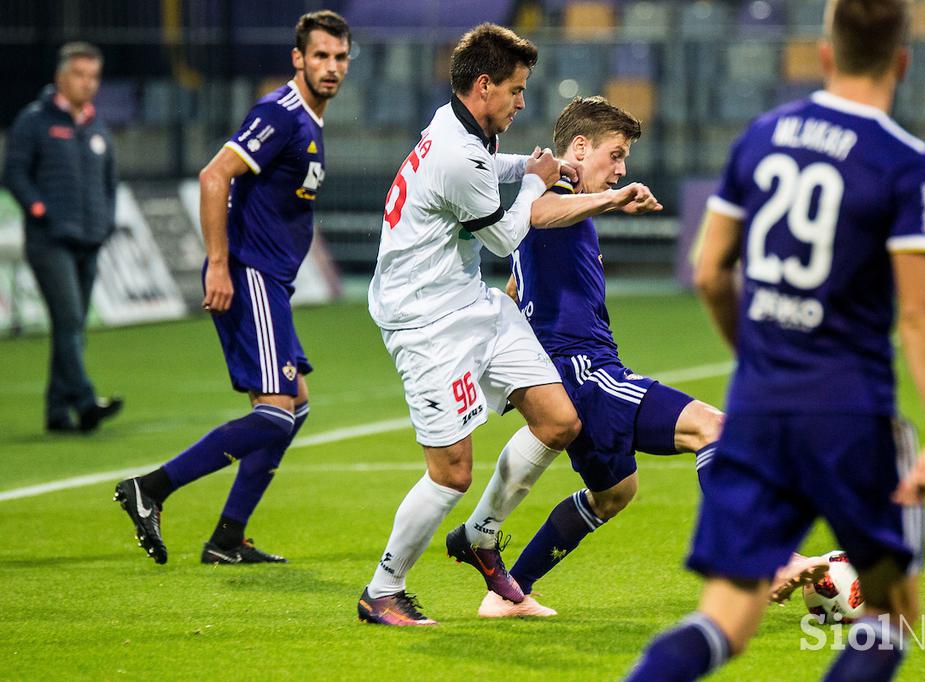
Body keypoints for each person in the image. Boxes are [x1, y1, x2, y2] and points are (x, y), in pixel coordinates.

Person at [628, 1, 925, 680]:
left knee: (723, 617)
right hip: (850, 414)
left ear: (825, 54)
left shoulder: (763, 136)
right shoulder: (905, 162)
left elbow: (711, 271)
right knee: (891, 615)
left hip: (758, 410)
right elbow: (923, 315)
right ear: (902, 62)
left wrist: (754, 356)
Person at [480, 97, 825, 619]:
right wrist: (616, 198)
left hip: (573, 371)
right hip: (585, 373)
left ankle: (507, 594)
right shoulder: (556, 189)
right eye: (615, 155)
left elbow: (518, 278)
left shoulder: (565, 206)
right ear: (578, 147)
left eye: (625, 160)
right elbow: (536, 213)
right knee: (713, 428)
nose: (622, 168)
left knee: (614, 493)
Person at [358, 23, 584, 626]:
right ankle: (382, 590)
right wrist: (537, 181)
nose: (521, 101)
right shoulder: (458, 154)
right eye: (515, 89)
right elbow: (506, 236)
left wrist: (536, 165)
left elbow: (490, 167)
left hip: (470, 303)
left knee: (558, 421)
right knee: (452, 471)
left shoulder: (457, 126)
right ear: (483, 86)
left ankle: (480, 538)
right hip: (425, 323)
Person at [113, 10, 350, 566]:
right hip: (250, 275)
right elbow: (214, 175)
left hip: (271, 282)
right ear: (298, 58)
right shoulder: (281, 112)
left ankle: (226, 538)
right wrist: (219, 263)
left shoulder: (311, 120)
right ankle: (152, 487)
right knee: (274, 414)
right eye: (320, 56)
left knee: (296, 408)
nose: (331, 67)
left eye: (339, 57)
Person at [3, 42, 123, 433]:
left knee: (71, 327)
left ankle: (57, 412)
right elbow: (15, 174)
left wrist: (105, 221)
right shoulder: (34, 121)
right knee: (70, 319)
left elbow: (110, 183)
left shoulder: (96, 126)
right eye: (79, 75)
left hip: (90, 240)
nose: (87, 84)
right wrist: (40, 210)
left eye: (93, 77)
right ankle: (86, 402)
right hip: (49, 241)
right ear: (60, 77)